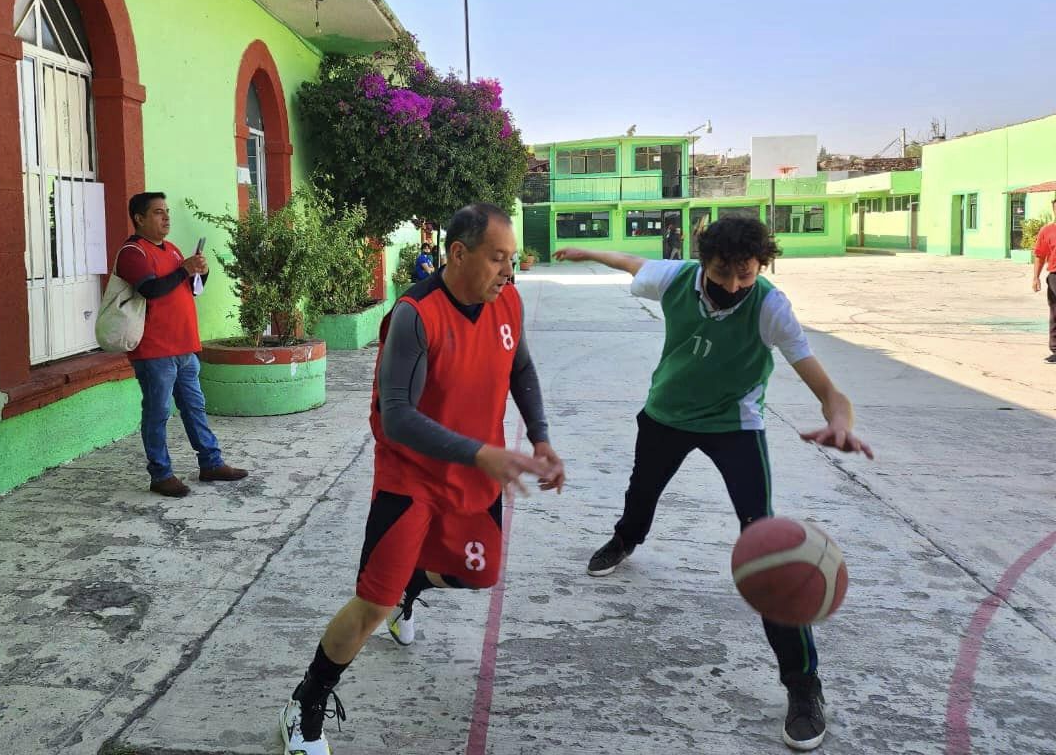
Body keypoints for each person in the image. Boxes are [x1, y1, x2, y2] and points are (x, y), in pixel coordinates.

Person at [555, 215, 873, 752]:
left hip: (735, 426)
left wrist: (840, 421)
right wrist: (588, 252)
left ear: (759, 268)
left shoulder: (770, 307)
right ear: (704, 262)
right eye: (723, 272)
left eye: (745, 275)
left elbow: (827, 389)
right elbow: (632, 263)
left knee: (771, 552)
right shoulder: (676, 278)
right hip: (665, 414)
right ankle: (627, 538)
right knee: (641, 494)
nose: (732, 286)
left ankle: (802, 685)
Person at [280, 203, 565, 755]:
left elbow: (521, 368)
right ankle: (305, 705)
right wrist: (480, 452)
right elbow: (397, 416)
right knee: (371, 607)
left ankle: (412, 587)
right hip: (410, 479)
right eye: (497, 258)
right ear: (458, 254)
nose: (510, 271)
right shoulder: (415, 314)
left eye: (512, 259)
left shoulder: (507, 301)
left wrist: (541, 438)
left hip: (475, 474)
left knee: (479, 576)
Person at [115, 192, 249, 497]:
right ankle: (160, 474)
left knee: (195, 408)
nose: (166, 218)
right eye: (158, 213)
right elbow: (151, 289)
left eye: (167, 212)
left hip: (184, 347)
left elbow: (190, 289)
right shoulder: (133, 252)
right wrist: (184, 270)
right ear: (139, 218)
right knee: (157, 413)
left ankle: (211, 462)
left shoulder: (173, 250)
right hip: (154, 350)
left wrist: (201, 271)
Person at [1032, 195, 1056, 364]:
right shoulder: (1047, 231)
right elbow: (1040, 255)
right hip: (1055, 276)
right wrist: (1036, 277)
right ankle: (1055, 349)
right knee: (1055, 313)